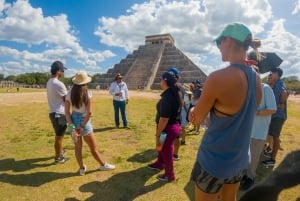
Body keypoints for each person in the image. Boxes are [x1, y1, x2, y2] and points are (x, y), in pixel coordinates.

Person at [189, 22, 262, 201]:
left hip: (215, 159)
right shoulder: (256, 77)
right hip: (240, 158)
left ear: (228, 41)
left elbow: (196, 120)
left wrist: (193, 109)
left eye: (218, 43)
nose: (218, 48)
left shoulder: (218, 78)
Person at [65, 70, 115, 175]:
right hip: (84, 121)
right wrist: (82, 126)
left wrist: (73, 127)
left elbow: (67, 113)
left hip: (73, 119)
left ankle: (81, 168)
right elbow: (89, 112)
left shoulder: (69, 93)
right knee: (93, 148)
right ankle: (102, 164)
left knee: (78, 147)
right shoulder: (87, 93)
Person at [240, 81, 277, 190]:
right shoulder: (248, 89)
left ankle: (250, 177)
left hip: (259, 131)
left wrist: (256, 112)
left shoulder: (266, 88)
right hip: (247, 129)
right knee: (245, 155)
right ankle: (243, 175)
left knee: (254, 156)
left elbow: (273, 109)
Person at [147, 71, 181, 182]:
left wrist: (158, 133)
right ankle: (159, 163)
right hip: (171, 127)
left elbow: (164, 118)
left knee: (166, 151)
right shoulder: (173, 93)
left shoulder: (168, 97)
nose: (160, 81)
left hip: (167, 128)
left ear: (165, 81)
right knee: (160, 147)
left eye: (161, 79)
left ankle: (169, 175)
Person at [262, 67, 289, 167]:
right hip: (274, 115)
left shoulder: (279, 84)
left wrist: (281, 103)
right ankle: (270, 152)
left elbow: (284, 93)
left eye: (272, 73)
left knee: (275, 137)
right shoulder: (274, 84)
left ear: (277, 74)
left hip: (278, 116)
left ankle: (272, 159)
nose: (270, 74)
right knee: (272, 135)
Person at [46, 60, 68, 164]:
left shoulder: (49, 82)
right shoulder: (59, 84)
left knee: (58, 135)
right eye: (62, 71)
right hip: (60, 114)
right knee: (59, 137)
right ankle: (58, 158)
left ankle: (60, 151)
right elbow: (66, 100)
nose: (63, 73)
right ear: (58, 71)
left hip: (53, 113)